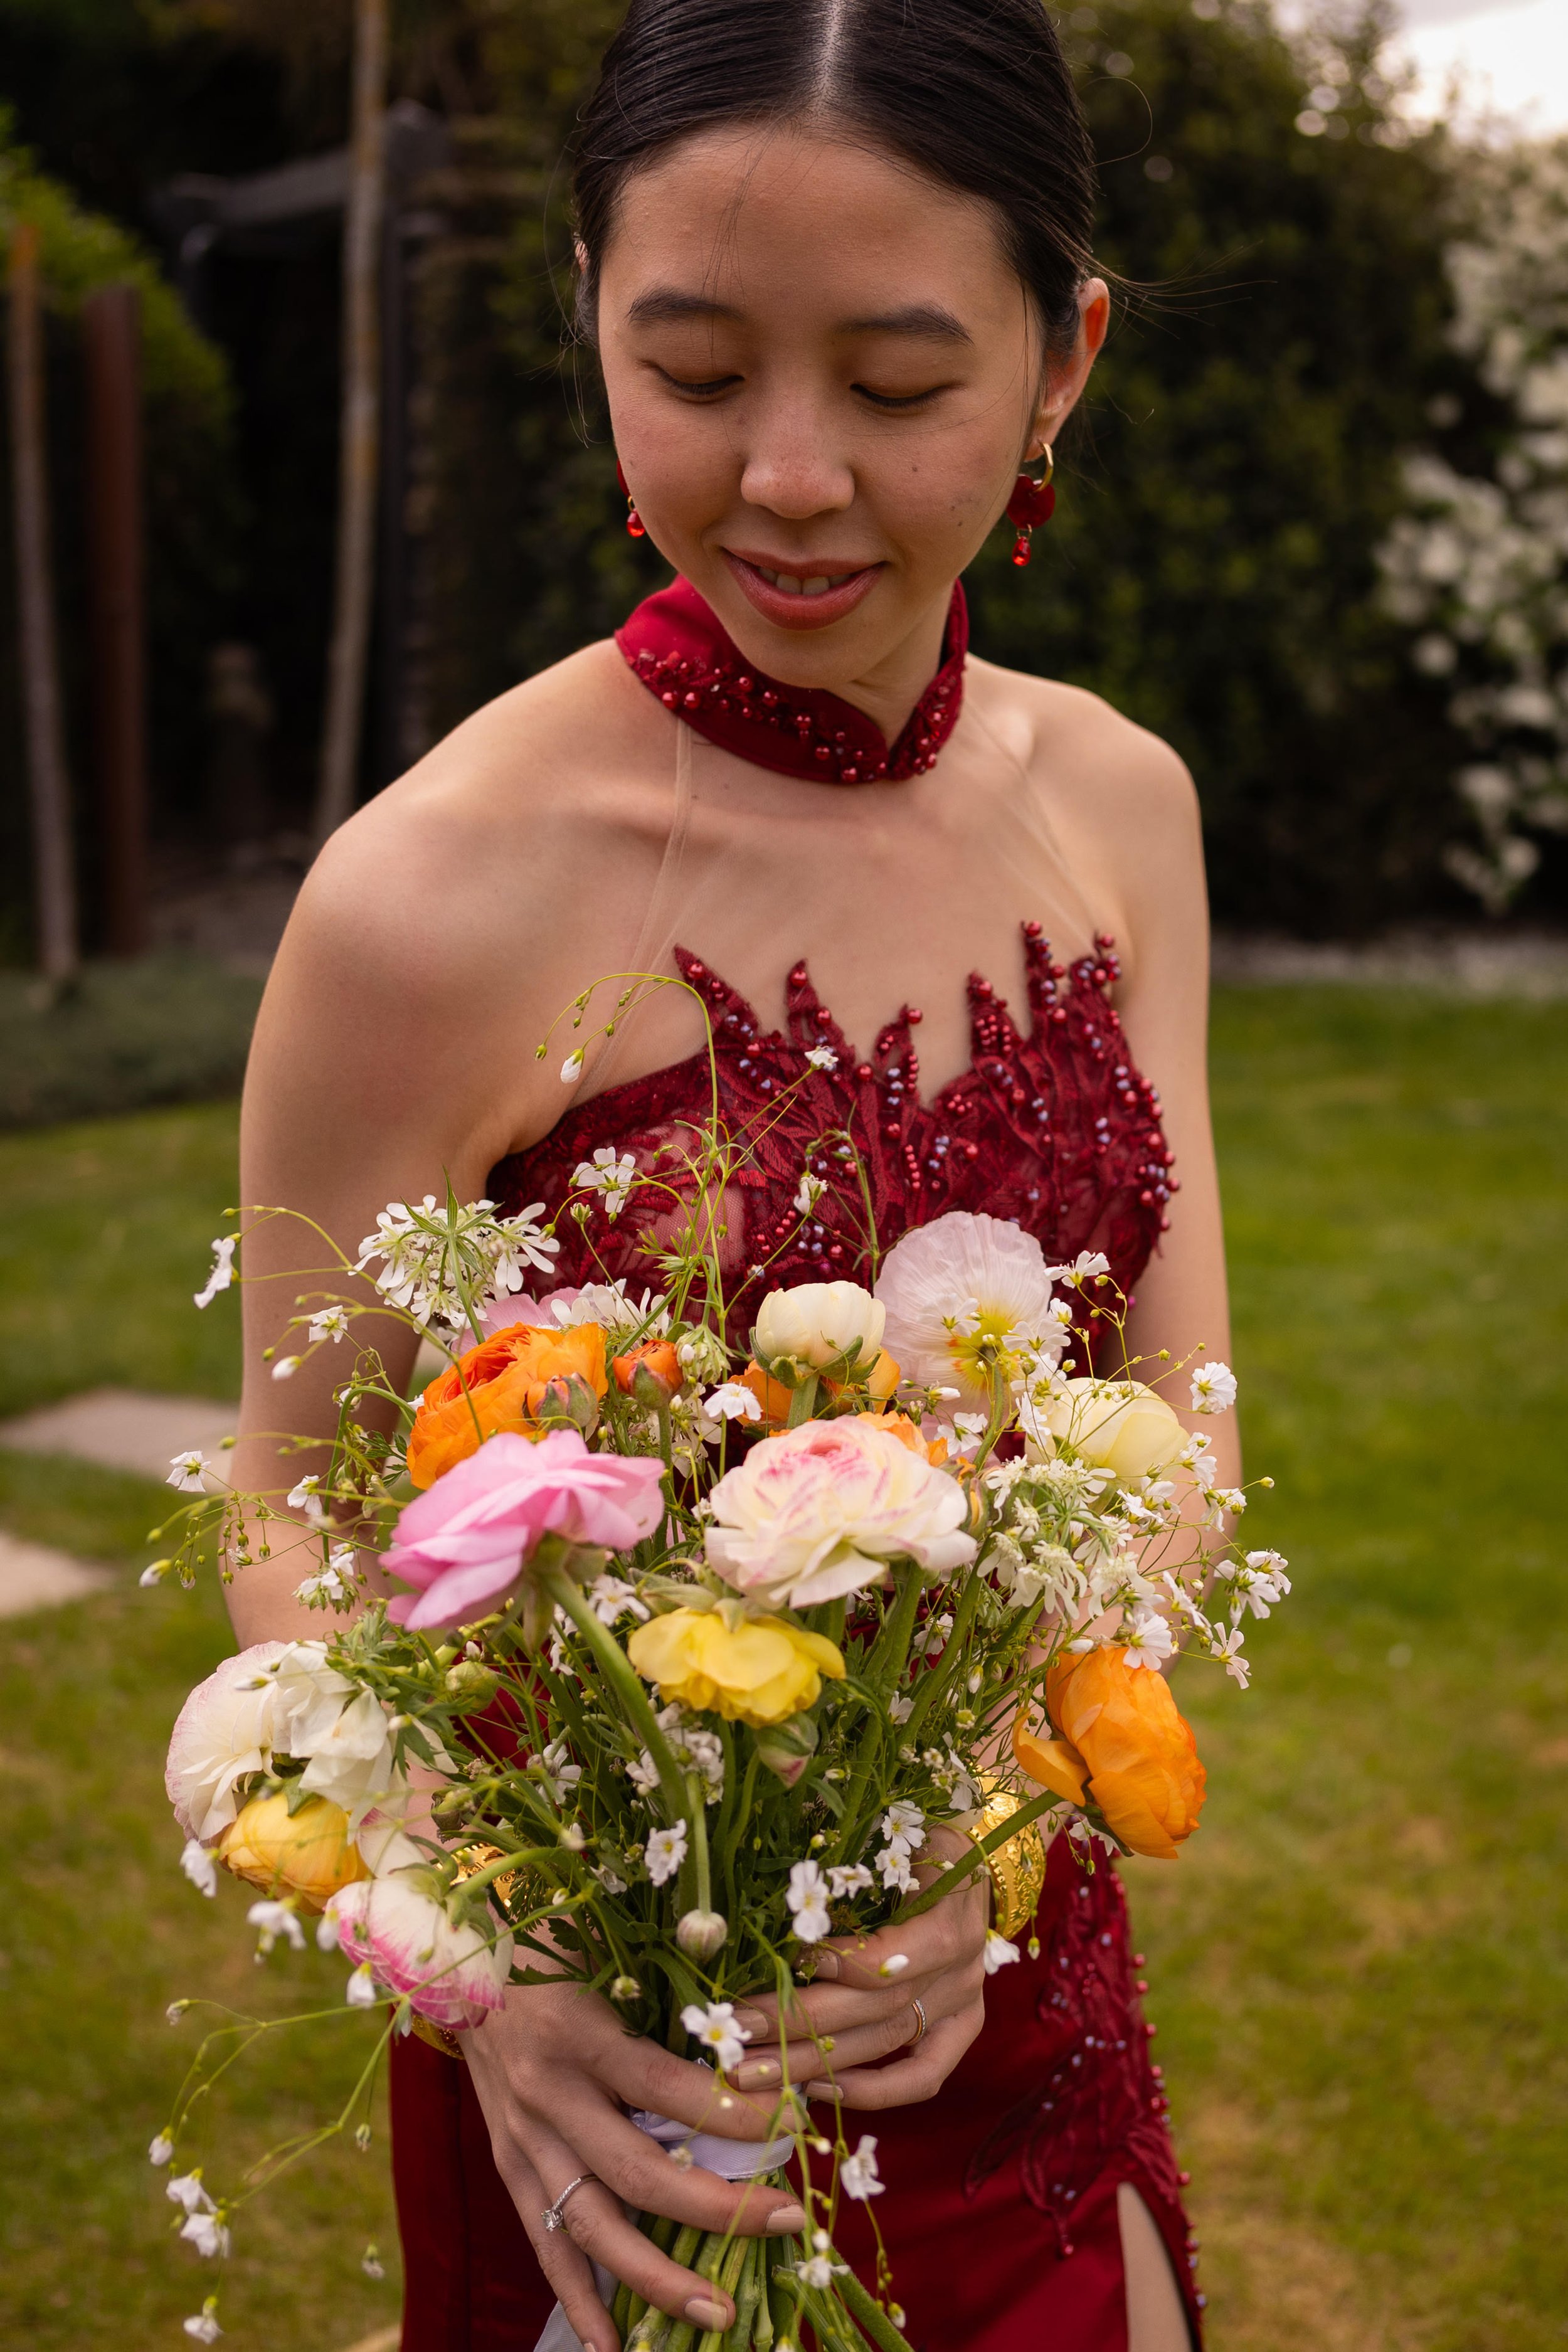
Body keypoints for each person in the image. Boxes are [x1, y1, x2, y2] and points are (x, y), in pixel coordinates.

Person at [231, 2, 1237, 2345]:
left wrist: (992, 1826)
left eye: (897, 386)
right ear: (588, 309)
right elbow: (283, 1504)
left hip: (1007, 2004)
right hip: (607, 2063)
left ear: (1063, 361)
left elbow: (1181, 1427)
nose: (788, 476)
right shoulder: (432, 896)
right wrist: (475, 1957)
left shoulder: (1122, 810)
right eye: (690, 369)